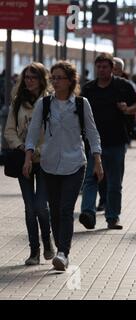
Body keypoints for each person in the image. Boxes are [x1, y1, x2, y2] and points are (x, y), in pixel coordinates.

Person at [23, 61, 103, 271]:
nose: (56, 82)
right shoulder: (45, 103)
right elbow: (32, 132)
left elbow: (92, 133)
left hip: (75, 163)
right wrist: (28, 157)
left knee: (67, 209)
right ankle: (60, 245)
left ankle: (63, 253)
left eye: (60, 78)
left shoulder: (80, 103)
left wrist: (97, 160)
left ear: (70, 81)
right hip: (49, 164)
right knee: (55, 211)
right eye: (53, 78)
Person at [79, 53, 136, 231]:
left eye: (105, 67)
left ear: (112, 68)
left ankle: (112, 217)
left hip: (116, 141)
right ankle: (88, 213)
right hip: (93, 144)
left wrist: (127, 109)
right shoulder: (88, 89)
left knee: (114, 182)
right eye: (98, 67)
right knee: (91, 179)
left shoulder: (122, 86)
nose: (101, 70)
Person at [4, 62, 55, 266]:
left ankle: (48, 241)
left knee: (41, 206)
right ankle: (34, 251)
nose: (29, 81)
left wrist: (37, 151)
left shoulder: (50, 102)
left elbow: (54, 133)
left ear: (42, 79)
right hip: (22, 161)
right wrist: (21, 147)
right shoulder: (17, 103)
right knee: (29, 208)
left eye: (33, 77)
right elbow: (9, 131)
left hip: (44, 161)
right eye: (26, 77)